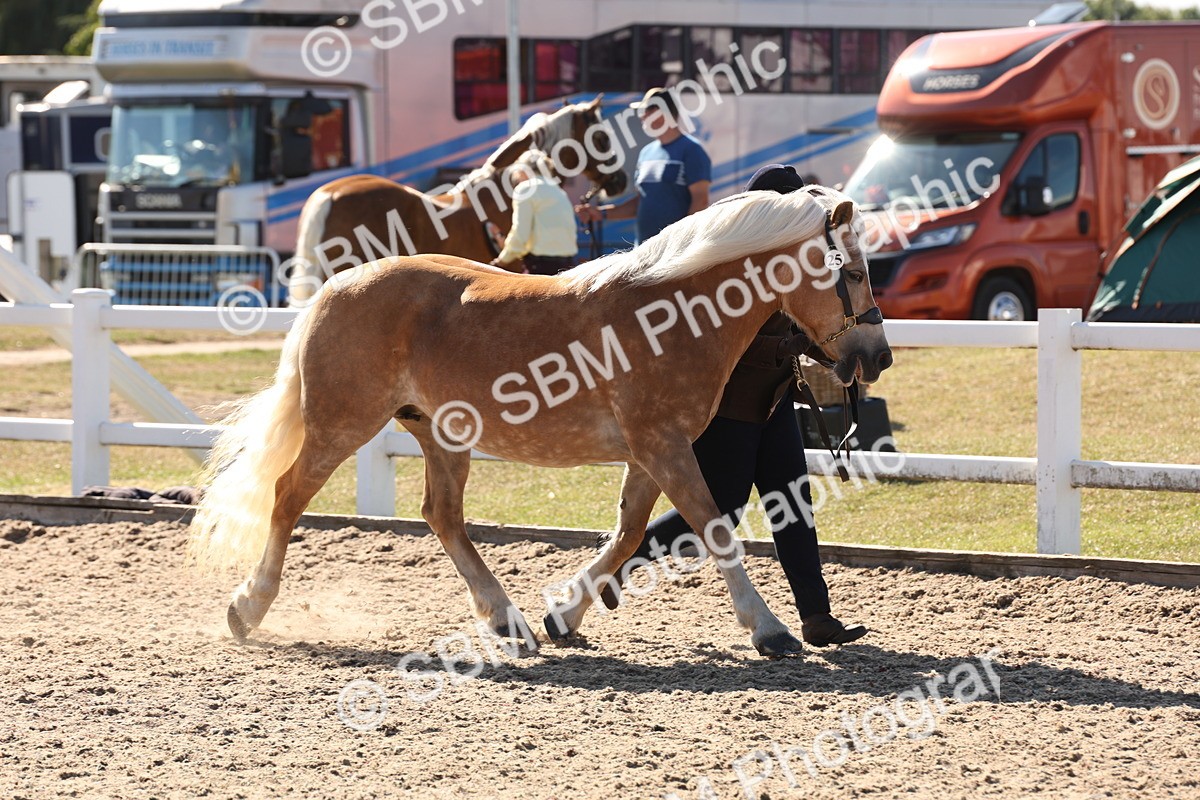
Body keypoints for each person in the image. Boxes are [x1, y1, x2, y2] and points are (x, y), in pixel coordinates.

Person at [602, 164, 868, 648]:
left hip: (775, 403)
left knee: (794, 507)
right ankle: (626, 557)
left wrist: (836, 349)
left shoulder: (792, 267)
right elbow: (724, 343)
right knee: (719, 509)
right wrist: (791, 348)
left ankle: (816, 615)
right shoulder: (729, 270)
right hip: (728, 408)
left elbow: (813, 317)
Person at [575, 87, 711, 244]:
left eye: (644, 112)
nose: (641, 118)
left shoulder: (692, 150)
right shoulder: (647, 153)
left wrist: (683, 244)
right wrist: (600, 213)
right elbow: (641, 203)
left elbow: (700, 201)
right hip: (643, 252)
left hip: (675, 256)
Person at [491, 150, 578, 275]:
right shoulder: (558, 190)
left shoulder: (525, 189)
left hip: (541, 268)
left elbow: (520, 233)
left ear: (523, 170)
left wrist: (501, 261)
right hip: (569, 268)